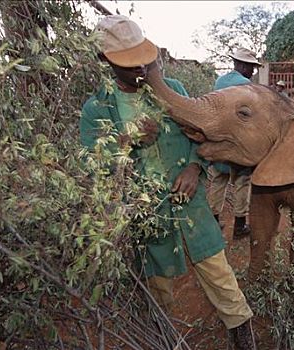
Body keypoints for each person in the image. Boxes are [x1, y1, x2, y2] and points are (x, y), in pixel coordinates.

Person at [79, 15, 255, 349]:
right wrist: (126, 139)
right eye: (128, 64)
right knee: (158, 288)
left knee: (219, 272)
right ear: (104, 60)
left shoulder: (172, 91)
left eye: (142, 60)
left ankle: (242, 335)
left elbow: (199, 139)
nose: (139, 70)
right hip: (148, 217)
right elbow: (91, 165)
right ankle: (163, 338)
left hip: (192, 205)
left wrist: (193, 168)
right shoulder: (96, 110)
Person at [208, 47, 261, 239]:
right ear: (242, 65)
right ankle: (239, 226)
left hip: (219, 140)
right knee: (242, 181)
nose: (253, 71)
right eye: (251, 67)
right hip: (239, 143)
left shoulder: (219, 81)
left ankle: (213, 224)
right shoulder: (247, 85)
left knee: (218, 180)